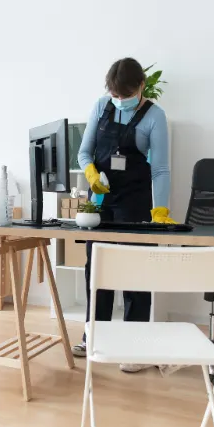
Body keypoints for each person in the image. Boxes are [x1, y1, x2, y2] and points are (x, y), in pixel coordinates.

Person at [73, 58, 175, 372]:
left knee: (135, 272)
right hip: (101, 199)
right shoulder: (101, 107)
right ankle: (95, 336)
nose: (120, 100)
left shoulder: (155, 117)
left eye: (125, 94)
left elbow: (159, 169)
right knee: (97, 269)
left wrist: (160, 211)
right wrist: (91, 175)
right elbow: (85, 152)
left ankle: (134, 346)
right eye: (116, 94)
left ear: (140, 86)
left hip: (135, 201)